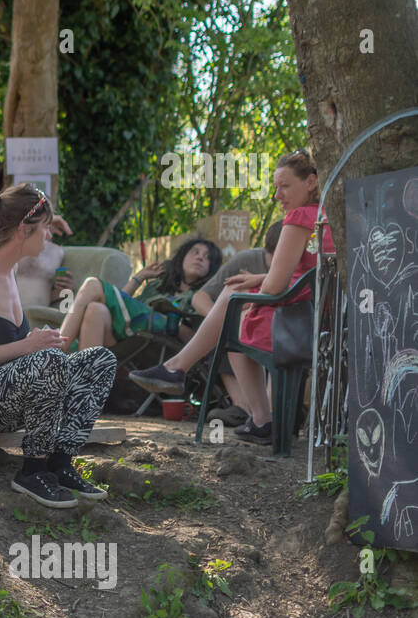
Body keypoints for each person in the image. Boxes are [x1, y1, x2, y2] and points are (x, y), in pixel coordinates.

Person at [130, 150, 334, 444]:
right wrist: (258, 280)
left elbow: (276, 288)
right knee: (235, 306)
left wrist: (256, 294)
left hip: (298, 323)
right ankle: (260, 420)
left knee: (232, 300)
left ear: (311, 181)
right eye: (275, 187)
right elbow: (307, 274)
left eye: (285, 186)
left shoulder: (298, 217)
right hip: (319, 318)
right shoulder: (325, 218)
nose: (277, 195)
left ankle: (177, 368)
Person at [0, 182, 118, 508]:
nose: (48, 237)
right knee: (48, 359)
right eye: (44, 230)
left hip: (5, 401)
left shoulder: (11, 272)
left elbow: (24, 226)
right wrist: (28, 346)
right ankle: (32, 472)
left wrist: (48, 216)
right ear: (23, 230)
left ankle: (60, 464)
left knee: (99, 360)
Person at [58, 237, 222, 350]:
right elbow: (119, 306)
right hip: (130, 333)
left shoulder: (202, 297)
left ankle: (56, 350)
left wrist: (172, 321)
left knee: (93, 284)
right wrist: (140, 277)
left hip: (159, 338)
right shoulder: (157, 287)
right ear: (182, 257)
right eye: (195, 252)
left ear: (212, 268)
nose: (200, 258)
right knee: (96, 309)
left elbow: (195, 335)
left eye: (207, 257)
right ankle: (86, 390)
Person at [193, 220, 282, 426]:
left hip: (274, 330)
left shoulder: (300, 268)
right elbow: (200, 297)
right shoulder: (247, 259)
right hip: (243, 323)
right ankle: (242, 406)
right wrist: (219, 320)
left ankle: (267, 411)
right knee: (230, 330)